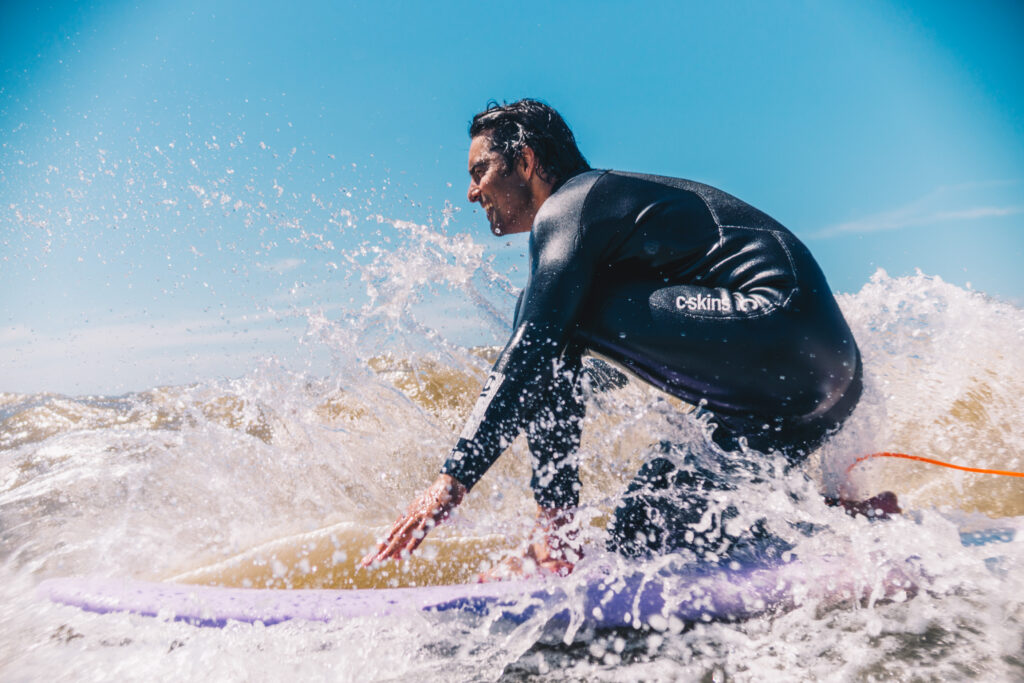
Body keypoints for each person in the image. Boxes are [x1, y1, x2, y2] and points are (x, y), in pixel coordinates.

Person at [360, 99, 862, 576]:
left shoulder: (572, 204)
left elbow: (534, 349)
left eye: (479, 172)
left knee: (550, 320)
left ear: (527, 161)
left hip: (777, 327)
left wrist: (452, 482)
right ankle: (840, 521)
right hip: (808, 391)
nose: (472, 193)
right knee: (640, 530)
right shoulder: (606, 217)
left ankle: (554, 535)